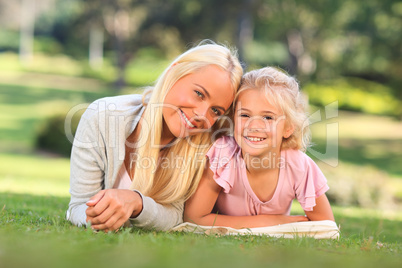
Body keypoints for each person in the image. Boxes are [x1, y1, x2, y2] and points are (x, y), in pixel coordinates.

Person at [66, 41, 243, 232]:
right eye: (199, 94)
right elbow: (78, 205)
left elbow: (176, 216)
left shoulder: (207, 145)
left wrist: (137, 203)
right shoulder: (101, 117)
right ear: (173, 74)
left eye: (215, 110)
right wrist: (98, 217)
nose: (202, 114)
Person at [184, 67, 335, 229]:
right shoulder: (224, 154)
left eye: (268, 117)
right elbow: (194, 218)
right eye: (245, 115)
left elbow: (326, 225)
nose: (254, 126)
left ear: (289, 127)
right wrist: (270, 222)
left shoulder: (299, 166)